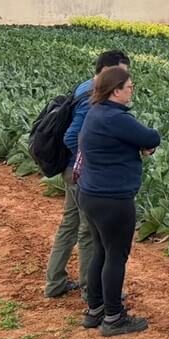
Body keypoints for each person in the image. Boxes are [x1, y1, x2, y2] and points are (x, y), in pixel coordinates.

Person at [76, 66, 160, 336]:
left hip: (91, 194)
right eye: (129, 87)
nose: (132, 90)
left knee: (100, 251)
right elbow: (151, 137)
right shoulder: (115, 117)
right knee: (115, 256)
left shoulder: (95, 113)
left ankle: (95, 310)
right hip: (112, 198)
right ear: (116, 91)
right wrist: (142, 145)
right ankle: (114, 317)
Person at [45, 50, 129, 300]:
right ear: (106, 71)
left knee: (69, 224)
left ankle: (54, 282)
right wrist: (89, 161)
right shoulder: (91, 96)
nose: (123, 80)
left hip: (71, 169)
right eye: (120, 73)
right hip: (78, 171)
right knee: (88, 231)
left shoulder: (85, 86)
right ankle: (89, 288)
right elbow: (72, 137)